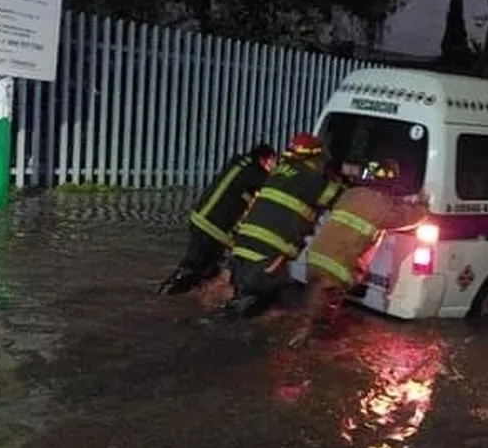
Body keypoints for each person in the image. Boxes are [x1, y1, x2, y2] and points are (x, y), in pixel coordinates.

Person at [291, 159, 430, 346]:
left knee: (314, 295)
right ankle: (309, 339)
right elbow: (409, 217)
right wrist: (423, 206)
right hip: (337, 265)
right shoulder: (383, 207)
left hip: (315, 255)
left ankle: (305, 334)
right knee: (325, 310)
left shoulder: (351, 193)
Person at [226, 133, 344, 318]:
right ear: (315, 157)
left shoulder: (280, 170)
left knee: (245, 294)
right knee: (268, 299)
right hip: (269, 249)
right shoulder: (311, 179)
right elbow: (340, 199)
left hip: (243, 243)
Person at [157, 143, 277, 295]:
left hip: (202, 220)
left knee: (206, 269)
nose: (274, 167)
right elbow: (272, 188)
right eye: (273, 162)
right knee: (195, 268)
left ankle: (185, 297)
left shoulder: (239, 164)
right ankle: (166, 296)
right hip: (213, 227)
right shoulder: (255, 173)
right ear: (264, 159)